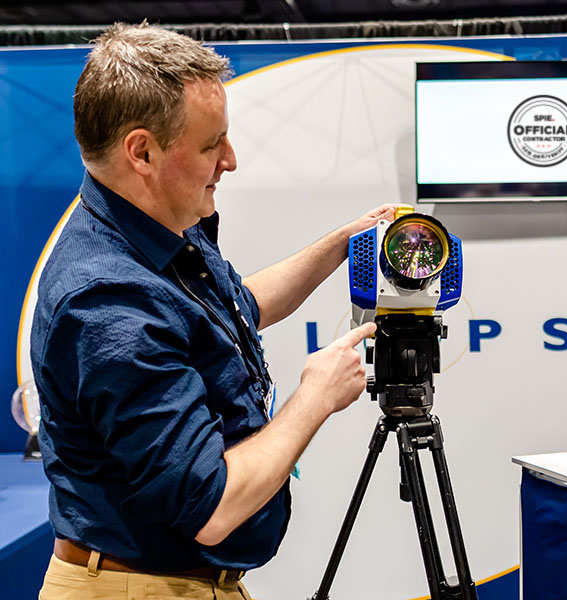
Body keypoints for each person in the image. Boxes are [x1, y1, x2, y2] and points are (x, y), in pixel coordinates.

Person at [30, 23, 398, 599]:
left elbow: (235, 306)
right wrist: (315, 399)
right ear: (142, 151)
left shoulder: (158, 230)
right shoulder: (108, 302)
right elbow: (213, 506)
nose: (230, 159)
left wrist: (341, 245)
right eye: (211, 145)